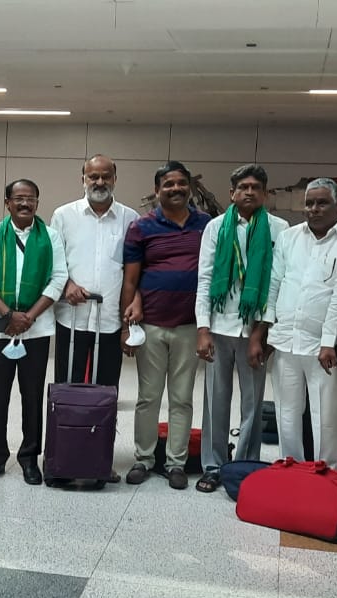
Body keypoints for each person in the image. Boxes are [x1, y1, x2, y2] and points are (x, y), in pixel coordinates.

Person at [193, 165, 288, 492]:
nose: (249, 192)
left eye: (255, 187)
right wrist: (203, 329)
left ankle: (246, 465)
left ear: (265, 193)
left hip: (255, 331)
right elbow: (205, 278)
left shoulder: (280, 229)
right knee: (215, 401)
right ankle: (214, 465)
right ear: (232, 192)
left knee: (253, 403)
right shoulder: (215, 227)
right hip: (219, 326)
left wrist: (262, 332)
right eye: (243, 187)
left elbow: (276, 284)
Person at [122, 161, 211, 490]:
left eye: (181, 183)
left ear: (189, 187)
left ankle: (176, 462)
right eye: (168, 184)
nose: (175, 188)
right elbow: (130, 279)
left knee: (182, 398)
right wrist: (125, 327)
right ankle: (144, 458)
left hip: (189, 325)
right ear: (157, 190)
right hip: (151, 326)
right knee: (148, 397)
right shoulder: (142, 227)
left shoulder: (207, 225)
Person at [0, 179, 68, 483]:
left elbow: (58, 279)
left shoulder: (50, 237)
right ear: (7, 203)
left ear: (37, 203)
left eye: (31, 199)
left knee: (32, 395)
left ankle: (29, 458)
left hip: (36, 330)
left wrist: (28, 317)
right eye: (19, 198)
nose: (25, 203)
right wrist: (9, 315)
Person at [265, 177, 337, 466]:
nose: (314, 209)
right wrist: (267, 330)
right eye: (309, 203)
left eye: (322, 203)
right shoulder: (289, 237)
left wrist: (328, 341)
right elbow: (275, 283)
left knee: (326, 417)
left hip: (324, 349)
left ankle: (325, 473)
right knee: (286, 414)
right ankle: (290, 469)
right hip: (286, 341)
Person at [51, 154, 137, 389]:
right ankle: (68, 416)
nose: (100, 182)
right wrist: (67, 284)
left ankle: (103, 417)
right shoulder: (63, 215)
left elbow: (136, 269)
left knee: (106, 389)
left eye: (106, 177)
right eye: (93, 177)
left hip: (110, 317)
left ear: (115, 179)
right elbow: (53, 262)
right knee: (68, 386)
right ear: (83, 179)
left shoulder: (130, 219)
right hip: (71, 316)